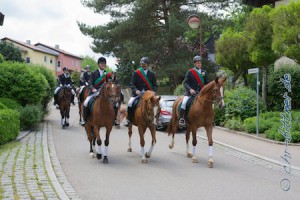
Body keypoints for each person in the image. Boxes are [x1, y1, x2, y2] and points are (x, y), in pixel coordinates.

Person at [124, 56, 158, 127]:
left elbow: (155, 85)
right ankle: (128, 119)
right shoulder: (136, 73)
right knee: (130, 103)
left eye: (144, 64)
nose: (143, 65)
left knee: (157, 104)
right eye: (142, 64)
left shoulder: (152, 74)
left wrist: (154, 91)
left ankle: (155, 120)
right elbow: (132, 84)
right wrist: (136, 90)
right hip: (138, 94)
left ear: (147, 64)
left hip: (149, 95)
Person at [178, 55, 209, 127]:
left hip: (201, 94)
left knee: (209, 103)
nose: (199, 64)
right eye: (197, 63)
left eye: (200, 63)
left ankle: (208, 118)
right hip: (190, 93)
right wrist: (190, 89)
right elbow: (185, 83)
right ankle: (181, 118)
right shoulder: (190, 72)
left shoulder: (204, 72)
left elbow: (207, 83)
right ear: (194, 64)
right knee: (184, 103)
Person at [81, 57, 112, 126]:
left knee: (114, 103)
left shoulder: (108, 74)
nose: (103, 65)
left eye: (104, 63)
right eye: (102, 63)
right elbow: (90, 83)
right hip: (94, 92)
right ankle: (84, 119)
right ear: (98, 65)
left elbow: (110, 83)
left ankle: (113, 119)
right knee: (86, 103)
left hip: (105, 94)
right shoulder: (94, 73)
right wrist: (93, 89)